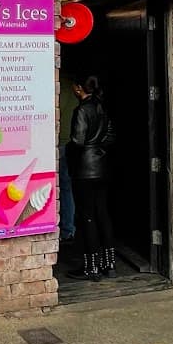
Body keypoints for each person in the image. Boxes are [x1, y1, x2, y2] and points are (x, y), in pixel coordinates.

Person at [66, 75, 116, 281]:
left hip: (84, 171)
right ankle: (109, 264)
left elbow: (77, 141)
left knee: (87, 217)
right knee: (102, 213)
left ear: (79, 89)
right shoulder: (102, 107)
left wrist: (69, 153)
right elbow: (111, 136)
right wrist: (98, 148)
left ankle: (91, 267)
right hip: (102, 167)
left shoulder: (81, 110)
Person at [58, 73, 79, 242]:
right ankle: (68, 228)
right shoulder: (74, 89)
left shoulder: (63, 87)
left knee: (62, 186)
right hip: (69, 141)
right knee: (67, 186)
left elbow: (57, 110)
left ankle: (66, 227)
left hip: (61, 142)